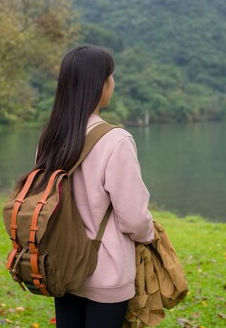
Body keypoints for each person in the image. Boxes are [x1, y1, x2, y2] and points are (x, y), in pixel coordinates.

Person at [31, 45, 154, 328]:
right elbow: (134, 218)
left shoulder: (49, 138)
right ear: (98, 85)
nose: (113, 83)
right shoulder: (116, 141)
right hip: (106, 273)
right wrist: (149, 234)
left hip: (62, 264)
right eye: (110, 76)